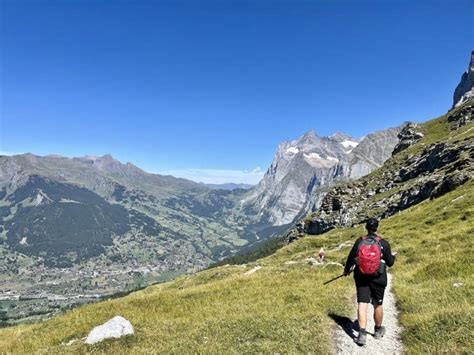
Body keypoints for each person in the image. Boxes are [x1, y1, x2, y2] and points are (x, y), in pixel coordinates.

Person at [343, 218, 396, 346]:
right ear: (377, 228)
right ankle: (378, 330)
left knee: (362, 302)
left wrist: (346, 270)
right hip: (379, 277)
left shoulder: (359, 242)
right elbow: (390, 263)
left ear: (366, 228)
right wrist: (393, 256)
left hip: (361, 276)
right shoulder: (383, 243)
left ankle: (362, 334)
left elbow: (351, 258)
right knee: (378, 304)